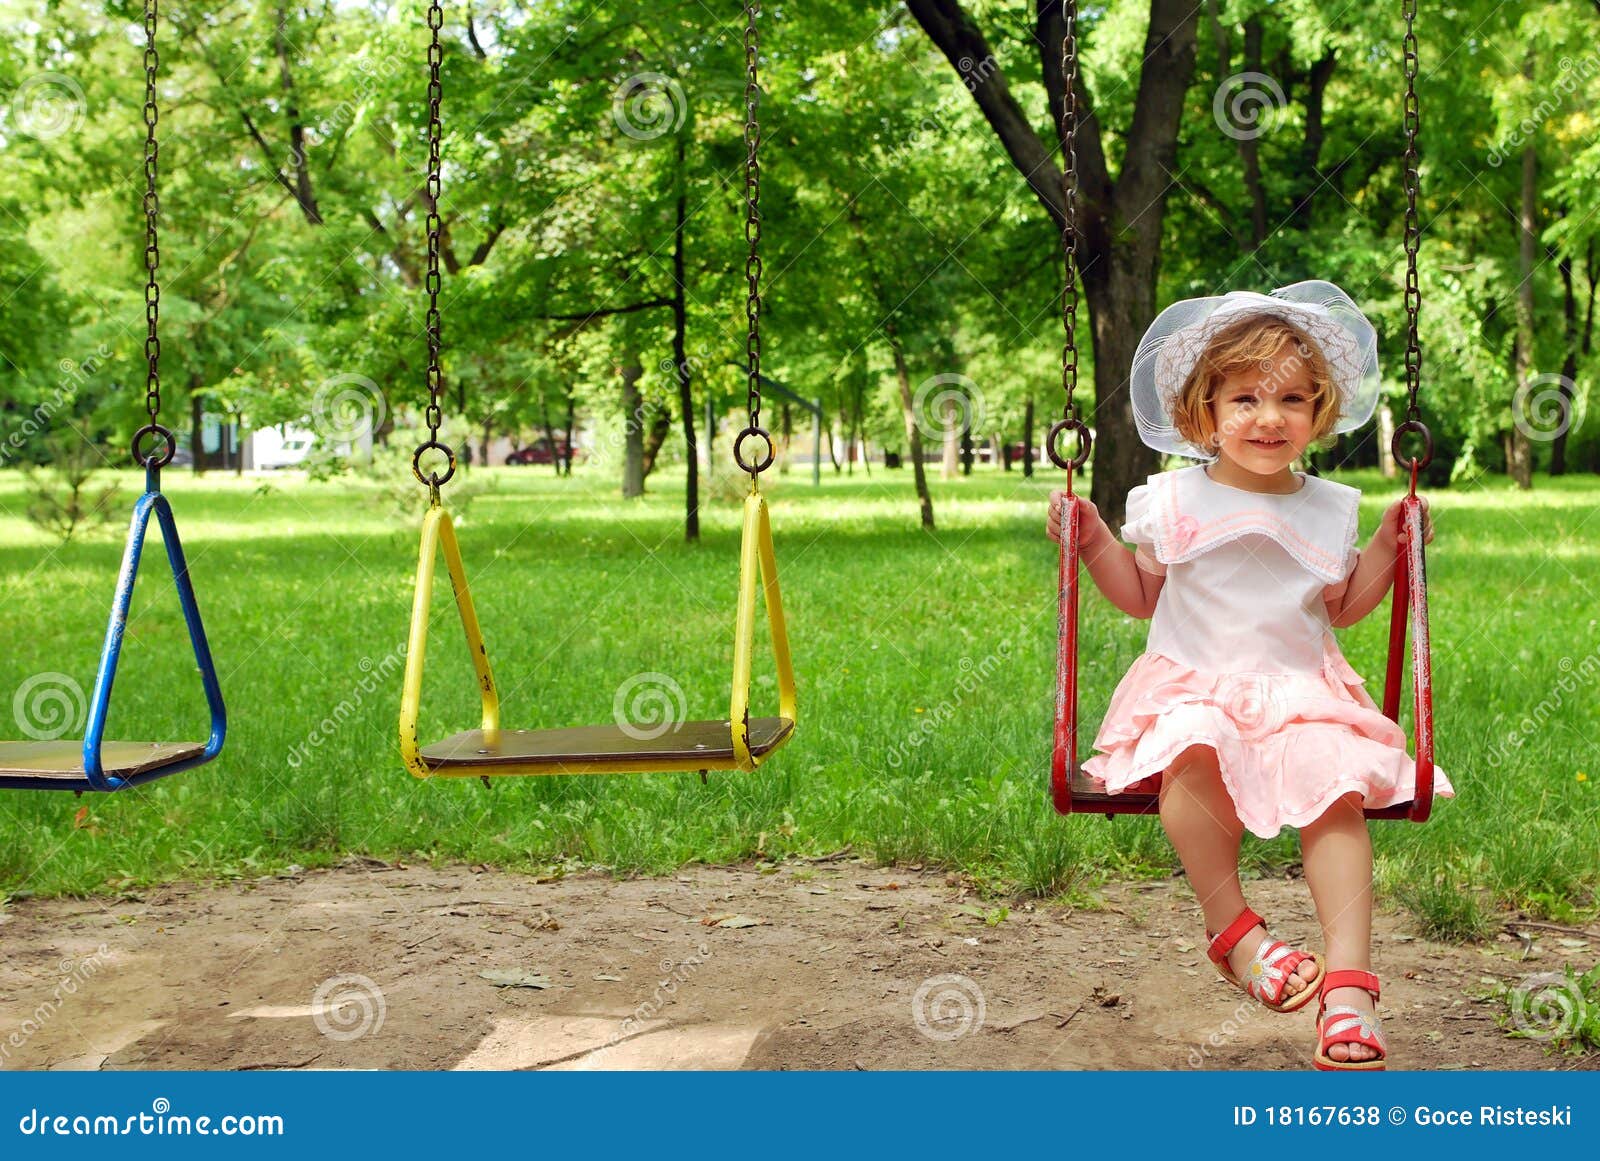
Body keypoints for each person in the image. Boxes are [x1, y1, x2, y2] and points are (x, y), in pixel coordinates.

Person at [1046, 281, 1455, 1071]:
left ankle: (1349, 985)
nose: (1269, 417)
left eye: (1292, 399)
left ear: (1319, 410)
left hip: (1300, 691)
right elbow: (1140, 597)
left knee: (1336, 792)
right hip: (1196, 686)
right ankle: (1235, 931)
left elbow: (1343, 607)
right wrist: (1092, 540)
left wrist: (1388, 544)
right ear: (1205, 411)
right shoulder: (1170, 499)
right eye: (1245, 398)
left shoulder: (1328, 507)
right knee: (1193, 755)